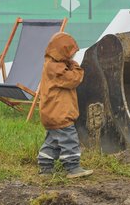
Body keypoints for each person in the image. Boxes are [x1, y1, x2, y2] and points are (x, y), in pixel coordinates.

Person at [37, 32, 93, 178]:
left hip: (51, 114)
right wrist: (75, 66)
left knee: (53, 141)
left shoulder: (51, 64)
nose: (72, 57)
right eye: (70, 54)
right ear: (63, 52)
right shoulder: (56, 68)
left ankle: (45, 167)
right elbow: (74, 79)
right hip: (60, 113)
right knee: (69, 139)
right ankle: (73, 167)